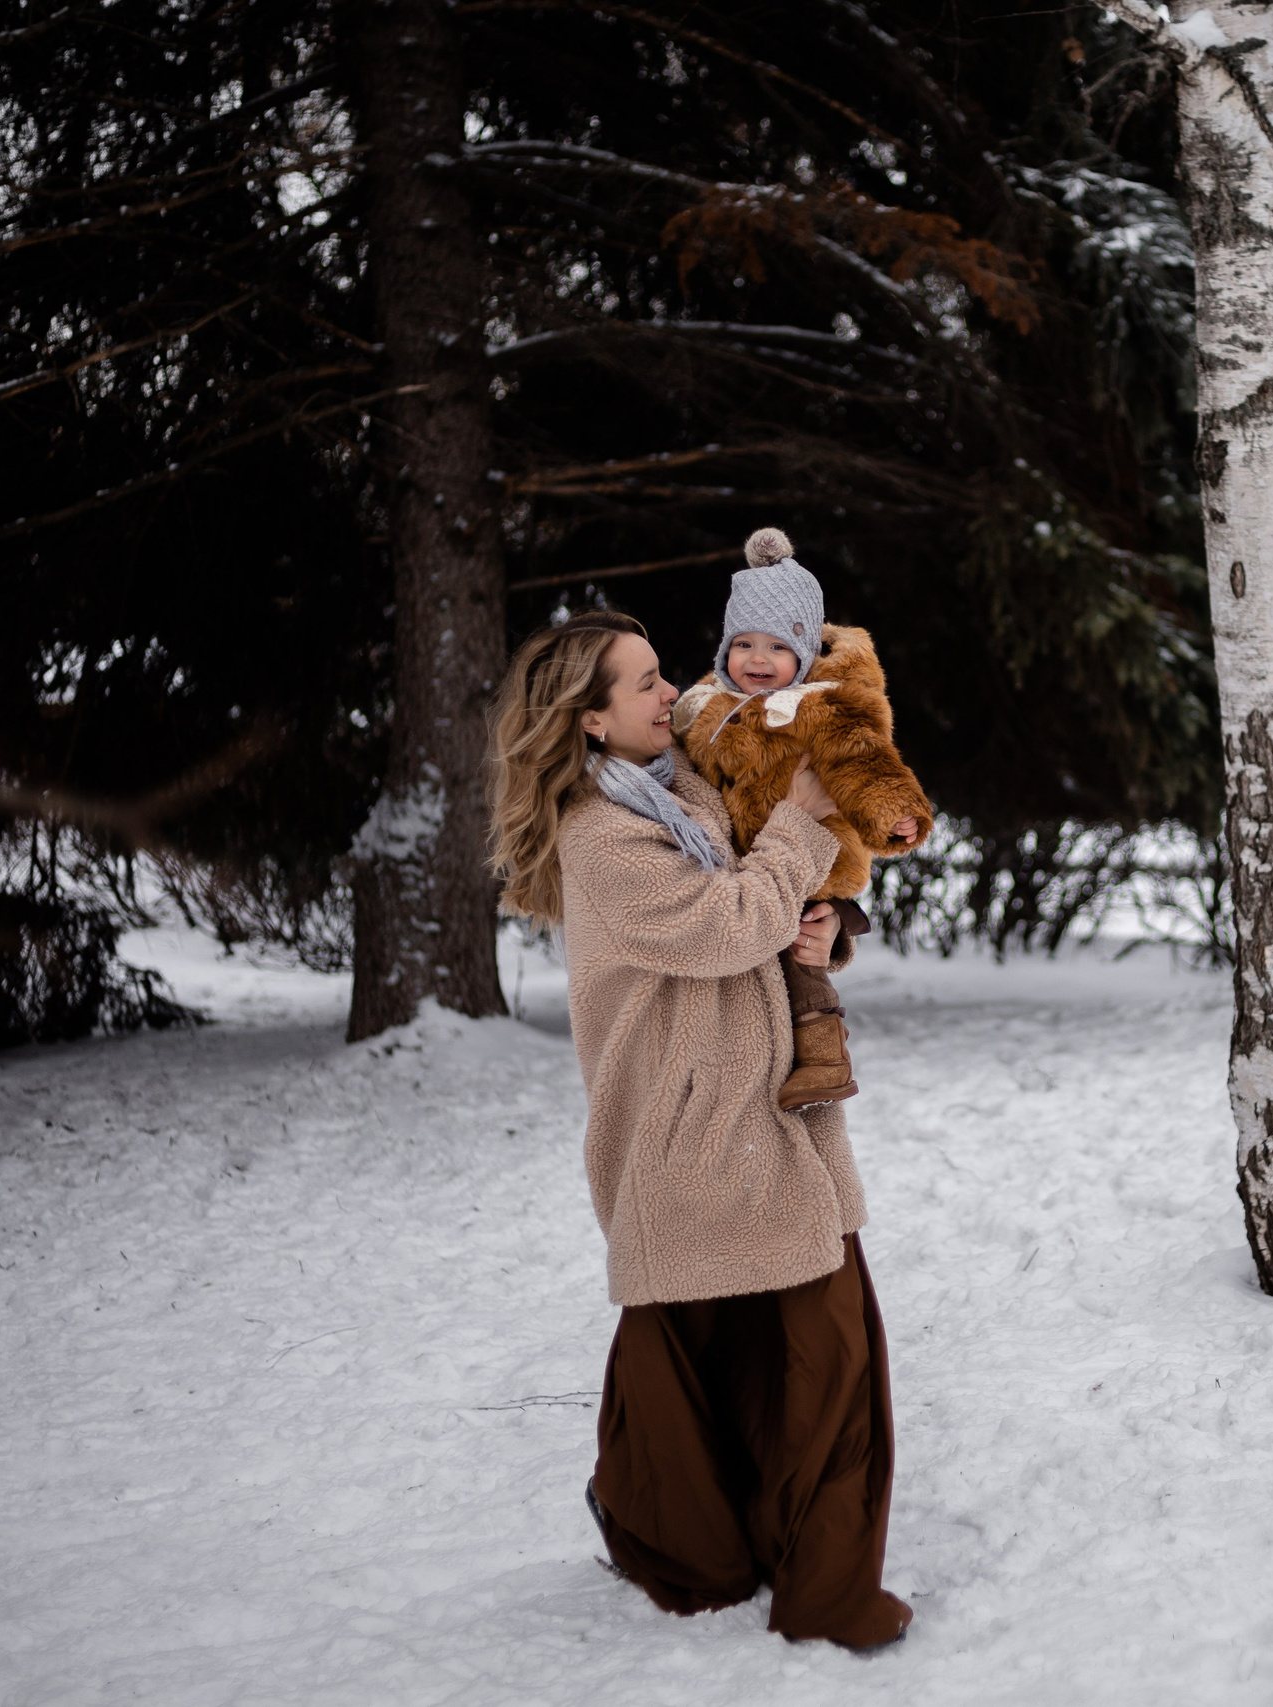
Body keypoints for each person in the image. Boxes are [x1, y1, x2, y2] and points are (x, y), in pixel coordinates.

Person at [485, 609, 912, 1652]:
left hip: (758, 1111)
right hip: (688, 1132)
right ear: (590, 721)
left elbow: (766, 902)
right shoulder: (602, 834)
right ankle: (709, 1550)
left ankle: (798, 1577)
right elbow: (723, 925)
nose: (669, 690)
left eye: (659, 673)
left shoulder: (687, 784)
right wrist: (802, 826)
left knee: (792, 1352)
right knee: (754, 1357)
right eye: (642, 683)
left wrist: (824, 925)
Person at [671, 528, 933, 1110]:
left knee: (801, 961)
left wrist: (894, 813)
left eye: (777, 646)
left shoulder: (821, 707)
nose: (757, 659)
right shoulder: (707, 708)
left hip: (812, 863)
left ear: (807, 653)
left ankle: (824, 1059)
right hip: (742, 871)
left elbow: (863, 762)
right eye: (743, 644)